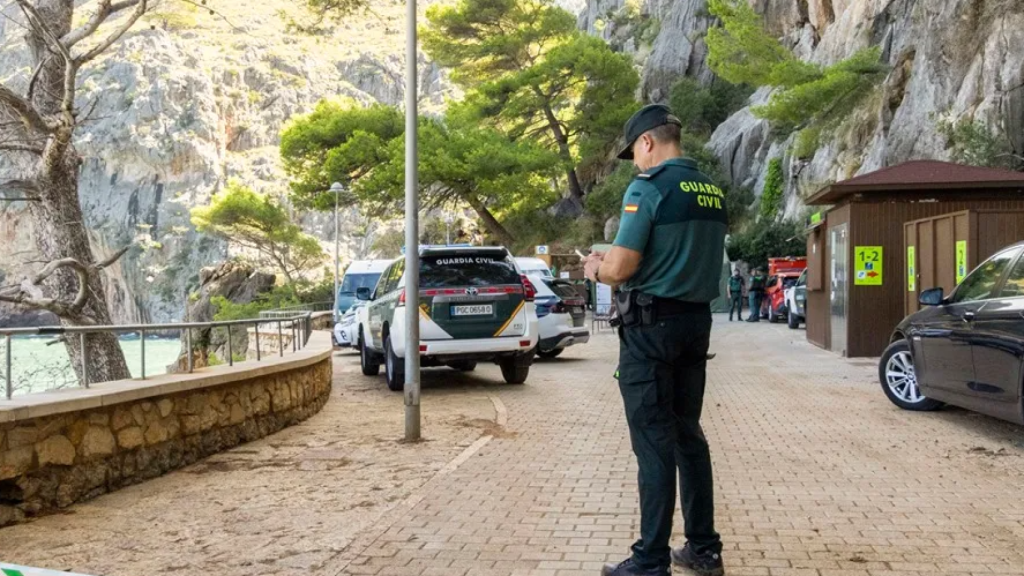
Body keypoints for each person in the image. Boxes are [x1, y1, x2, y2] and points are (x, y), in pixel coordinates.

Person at [584, 103, 727, 576]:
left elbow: (621, 268)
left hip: (650, 331)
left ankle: (649, 560)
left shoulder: (648, 188)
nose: (636, 163)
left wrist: (597, 267)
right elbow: (675, 254)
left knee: (653, 441)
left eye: (635, 153)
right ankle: (704, 549)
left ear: (647, 142)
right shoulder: (710, 190)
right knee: (689, 435)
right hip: (695, 325)